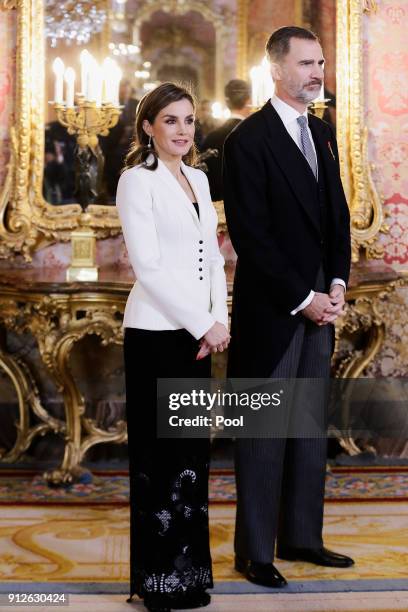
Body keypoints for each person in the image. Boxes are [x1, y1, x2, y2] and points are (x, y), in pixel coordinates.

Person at [223, 26, 354, 588]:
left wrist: (340, 283)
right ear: (276, 69)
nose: (316, 72)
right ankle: (254, 551)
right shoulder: (246, 140)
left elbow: (337, 218)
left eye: (320, 62)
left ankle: (302, 537)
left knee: (305, 430)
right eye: (306, 63)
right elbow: (252, 236)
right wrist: (305, 299)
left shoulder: (322, 132)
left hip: (322, 306)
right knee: (263, 432)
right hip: (274, 311)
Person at [116, 82, 229, 612]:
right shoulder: (137, 182)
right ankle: (159, 582)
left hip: (197, 335)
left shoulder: (201, 180)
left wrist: (218, 322)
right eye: (170, 121)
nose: (182, 130)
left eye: (188, 120)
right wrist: (201, 324)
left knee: (191, 457)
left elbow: (214, 260)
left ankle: (190, 575)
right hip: (156, 334)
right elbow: (150, 269)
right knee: (159, 459)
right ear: (148, 127)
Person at [201, 79, 251, 201]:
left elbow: (205, 177)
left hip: (216, 208)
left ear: (227, 102)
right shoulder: (255, 135)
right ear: (248, 101)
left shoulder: (212, 137)